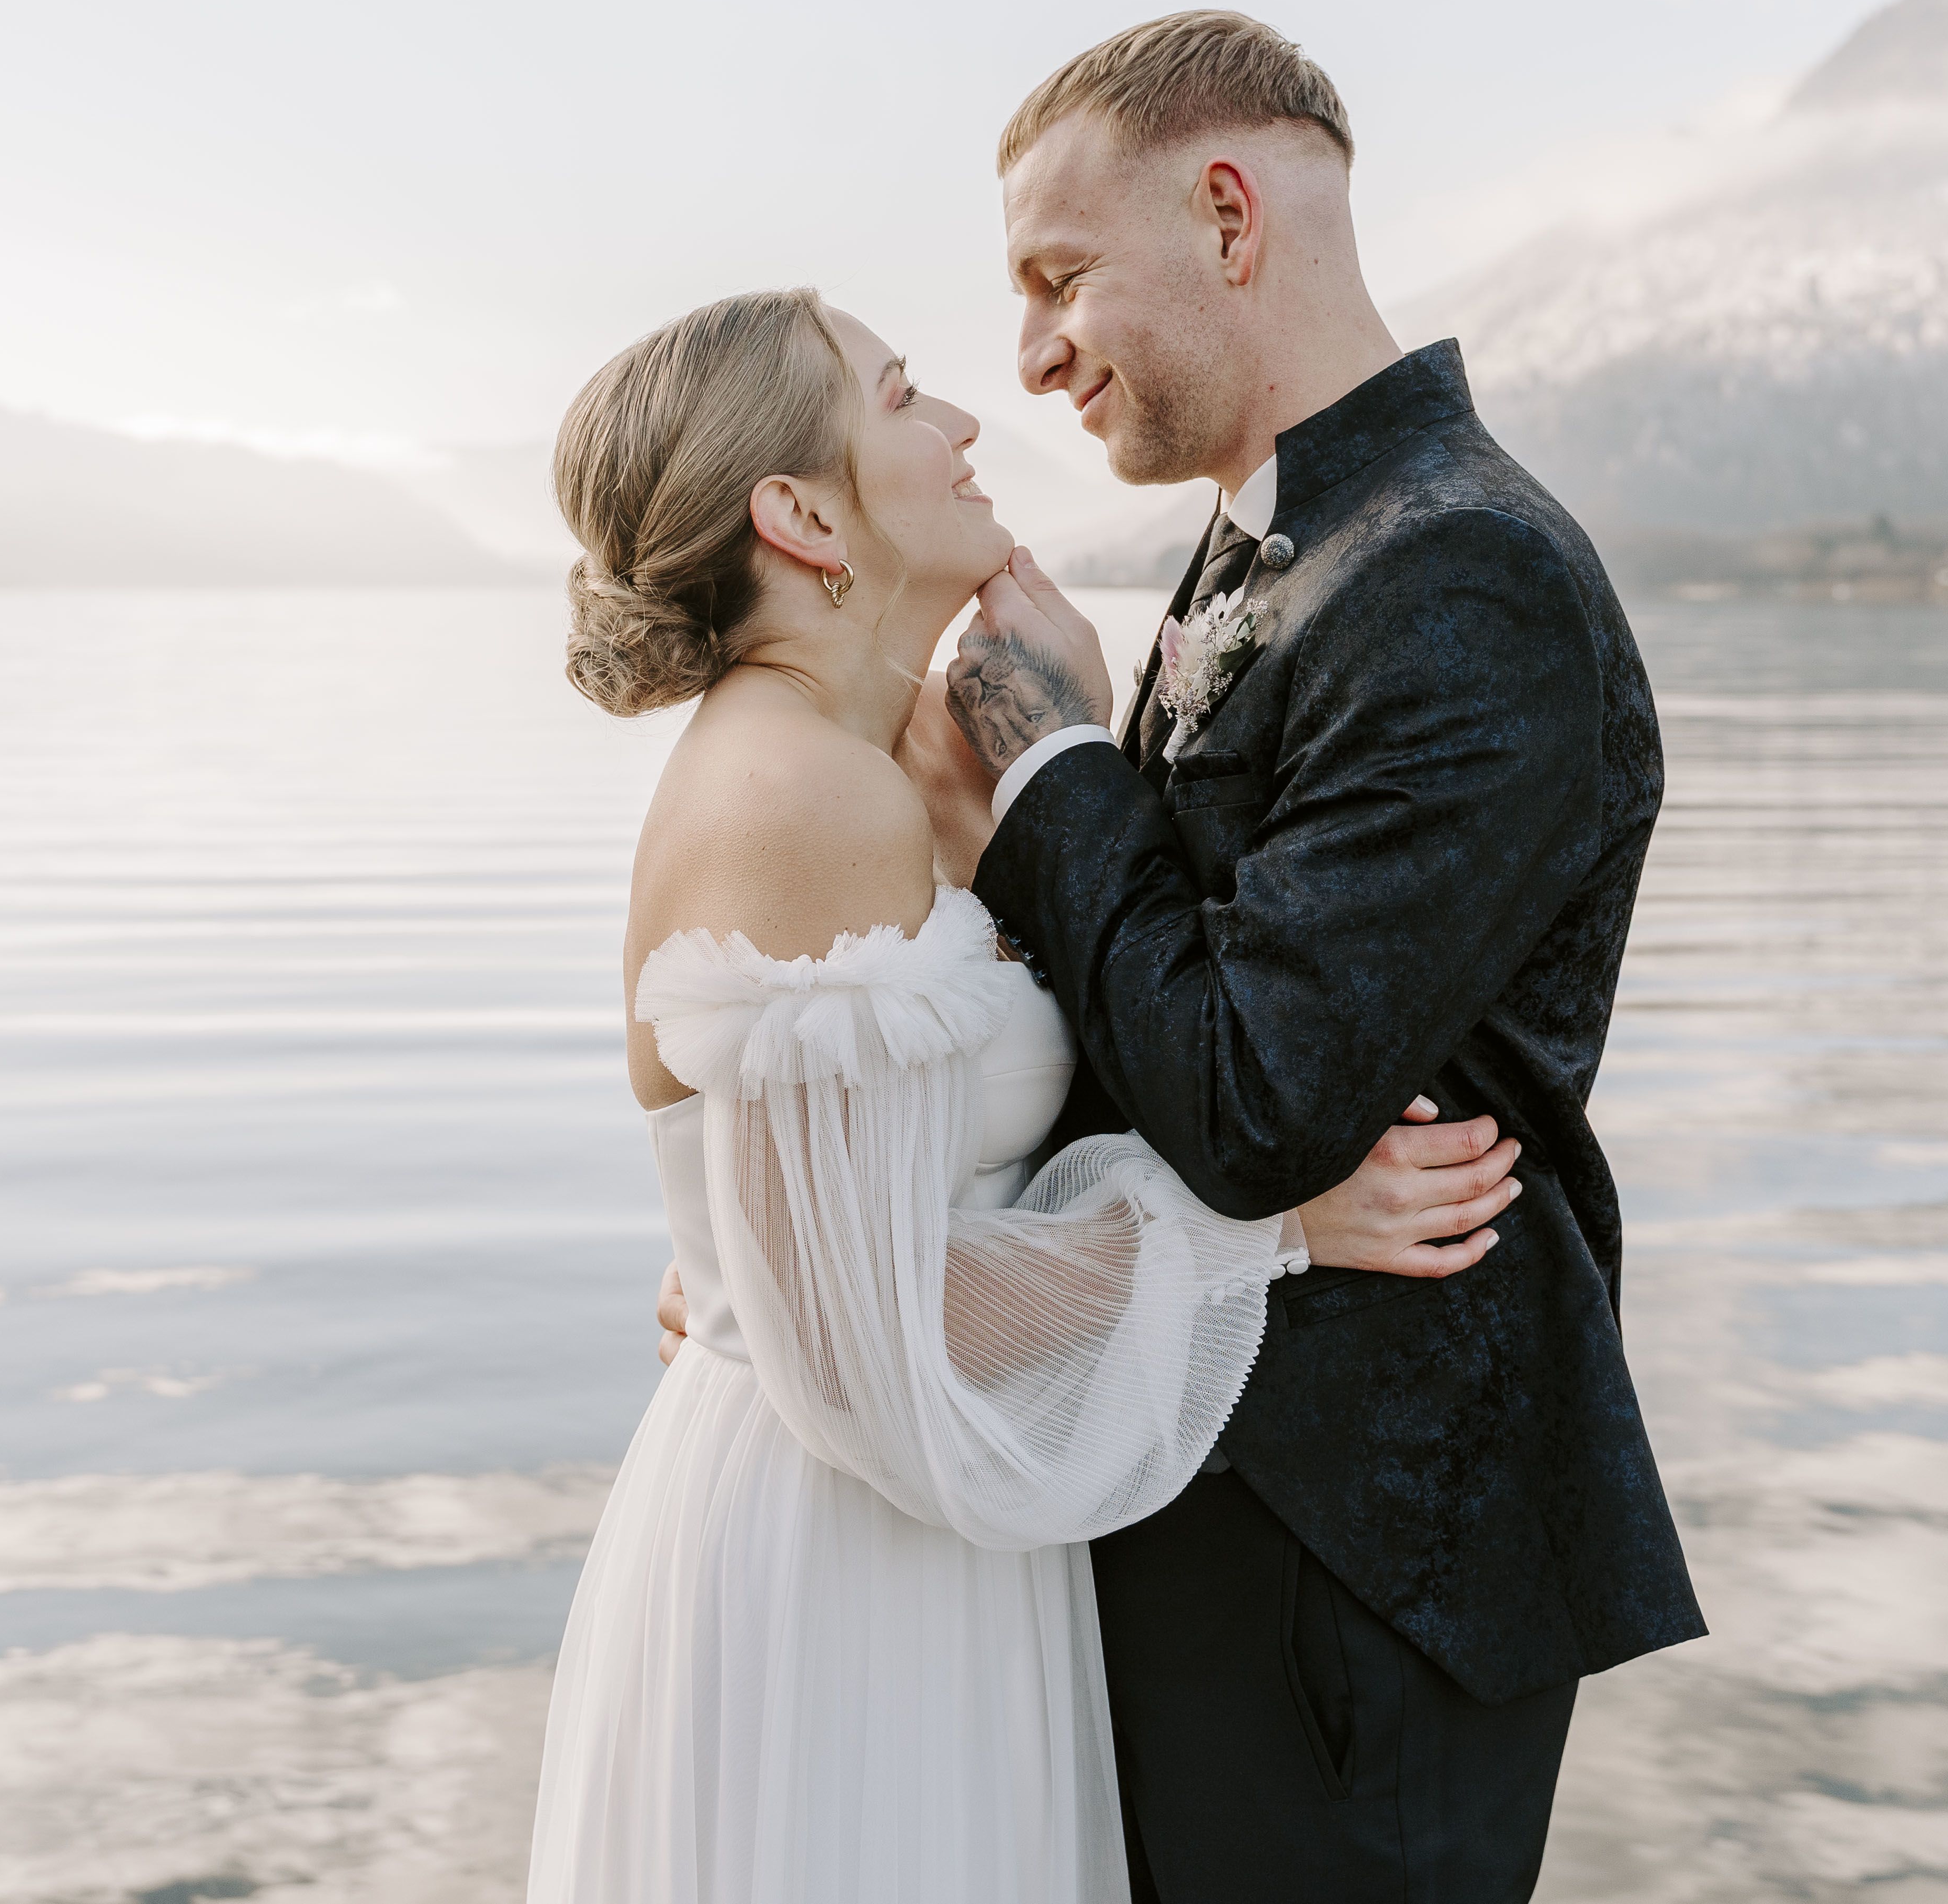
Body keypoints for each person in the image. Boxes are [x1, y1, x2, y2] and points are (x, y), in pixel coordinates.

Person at [524, 287, 1531, 1904]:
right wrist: (1267, 1223)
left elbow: (841, 1218)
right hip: (847, 1553)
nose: (968, 420)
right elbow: (877, 1316)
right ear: (799, 511)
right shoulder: (805, 793)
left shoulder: (861, 768)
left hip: (905, 1517)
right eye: (904, 393)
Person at [935, 10, 1707, 1900]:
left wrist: (1048, 762)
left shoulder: (1465, 574)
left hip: (1360, 1560)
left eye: (1057, 277)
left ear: (1224, 212)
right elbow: (1150, 1016)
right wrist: (827, 1267)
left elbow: (1258, 1098)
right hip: (1216, 1491)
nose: (1031, 355)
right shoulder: (1270, 545)